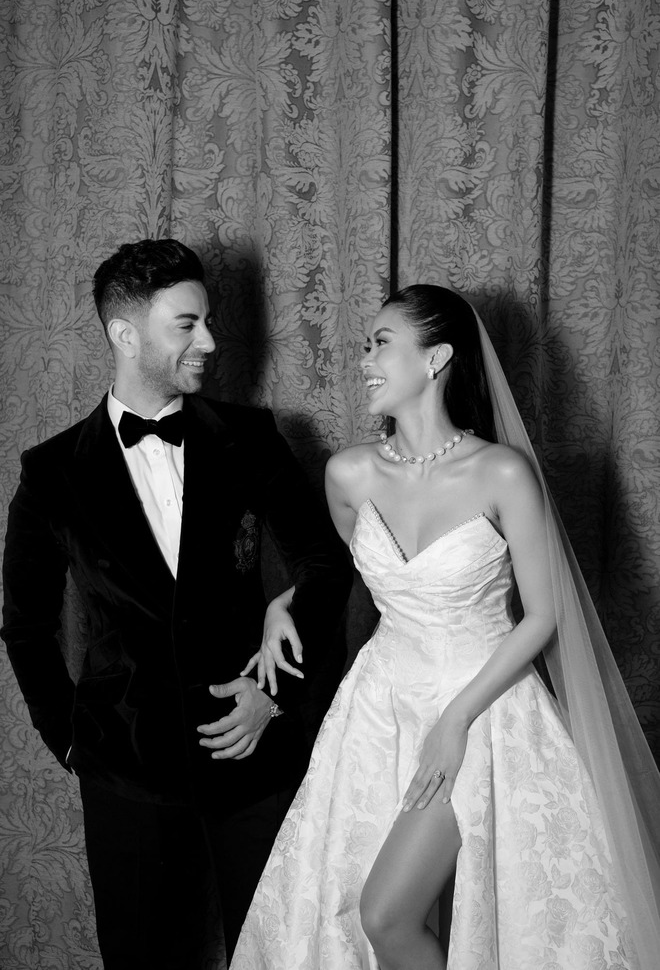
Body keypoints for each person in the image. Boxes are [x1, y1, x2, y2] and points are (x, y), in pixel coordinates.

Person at [229, 285, 660, 970]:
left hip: (484, 707)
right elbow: (355, 575)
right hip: (378, 708)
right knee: (345, 913)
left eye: (381, 343)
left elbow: (543, 615)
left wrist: (455, 720)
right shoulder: (349, 473)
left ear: (436, 359)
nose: (364, 359)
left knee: (386, 914)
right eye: (366, 345)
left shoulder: (502, 472)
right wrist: (284, 602)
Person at [1, 238, 352, 969]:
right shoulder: (52, 472)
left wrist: (273, 697)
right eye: (187, 324)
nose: (211, 341)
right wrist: (72, 742)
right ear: (125, 334)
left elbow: (325, 564)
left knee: (280, 953)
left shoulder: (252, 438)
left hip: (253, 752)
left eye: (209, 321)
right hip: (124, 768)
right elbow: (26, 626)